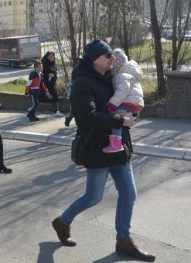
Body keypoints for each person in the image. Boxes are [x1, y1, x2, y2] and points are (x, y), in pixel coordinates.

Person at [51, 39, 155, 262]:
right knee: (93, 197)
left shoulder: (110, 78)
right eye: (108, 56)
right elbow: (87, 118)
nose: (113, 59)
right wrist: (120, 119)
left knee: (129, 194)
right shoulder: (82, 84)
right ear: (95, 58)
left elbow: (126, 97)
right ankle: (62, 221)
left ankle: (123, 240)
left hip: (119, 149)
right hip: (97, 149)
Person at [104, 48, 145, 153]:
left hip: (128, 103)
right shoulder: (129, 73)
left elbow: (122, 91)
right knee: (122, 120)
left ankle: (116, 144)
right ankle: (118, 142)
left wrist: (112, 104)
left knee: (116, 119)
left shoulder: (121, 75)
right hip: (135, 104)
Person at [41, 51, 64, 117]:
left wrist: (53, 75)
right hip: (46, 83)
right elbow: (41, 74)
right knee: (55, 95)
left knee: (53, 96)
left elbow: (54, 71)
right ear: (47, 56)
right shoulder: (44, 64)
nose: (52, 57)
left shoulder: (53, 63)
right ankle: (56, 111)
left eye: (53, 56)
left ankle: (55, 111)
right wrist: (48, 75)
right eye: (50, 56)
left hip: (52, 83)